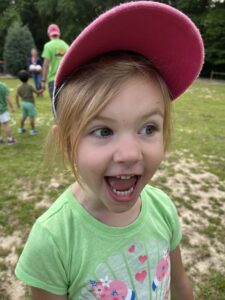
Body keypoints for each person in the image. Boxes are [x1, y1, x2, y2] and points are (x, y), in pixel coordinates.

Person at [15, 2, 204, 299]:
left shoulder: (163, 209)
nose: (130, 154)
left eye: (148, 128)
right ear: (67, 143)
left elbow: (179, 284)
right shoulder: (52, 240)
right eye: (103, 131)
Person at [41, 24, 69, 100]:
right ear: (59, 33)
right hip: (64, 78)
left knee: (55, 105)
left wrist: (43, 80)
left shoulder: (48, 46)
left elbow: (46, 65)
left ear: (48, 34)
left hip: (53, 80)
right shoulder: (65, 45)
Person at [16, 70, 42, 135]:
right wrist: (43, 90)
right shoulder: (30, 86)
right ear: (28, 77)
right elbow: (37, 93)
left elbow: (16, 96)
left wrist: (18, 104)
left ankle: (21, 129)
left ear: (20, 79)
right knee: (31, 117)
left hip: (23, 103)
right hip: (30, 104)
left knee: (23, 116)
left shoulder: (18, 87)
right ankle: (33, 130)